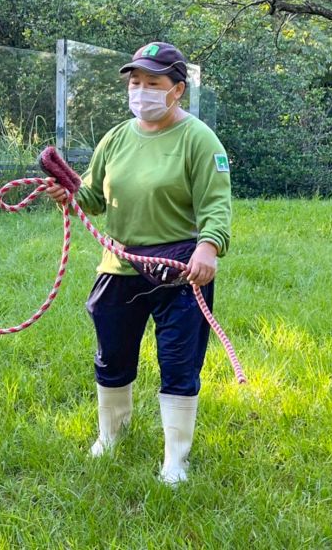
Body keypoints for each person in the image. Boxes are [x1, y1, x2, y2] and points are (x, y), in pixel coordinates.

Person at [46, 41, 231, 484]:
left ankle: (175, 461)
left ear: (177, 90)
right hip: (120, 267)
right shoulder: (115, 138)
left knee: (179, 363)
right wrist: (67, 196)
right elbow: (90, 198)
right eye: (135, 83)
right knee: (112, 357)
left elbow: (217, 206)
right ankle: (110, 437)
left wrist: (209, 246)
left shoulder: (199, 140)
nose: (141, 91)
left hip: (181, 272)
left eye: (153, 83)